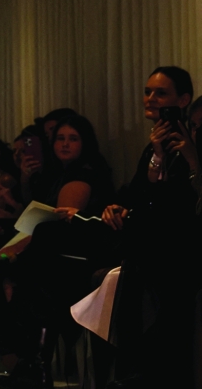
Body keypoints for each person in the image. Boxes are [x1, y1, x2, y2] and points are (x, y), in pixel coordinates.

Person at [102, 66, 200, 387]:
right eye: (147, 91)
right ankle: (132, 369)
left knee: (142, 266)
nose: (151, 98)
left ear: (183, 100)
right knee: (128, 266)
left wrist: (175, 154)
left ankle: (147, 372)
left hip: (179, 243)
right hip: (152, 242)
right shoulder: (153, 144)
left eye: (161, 93)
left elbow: (178, 203)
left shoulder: (187, 143)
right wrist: (121, 208)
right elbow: (140, 195)